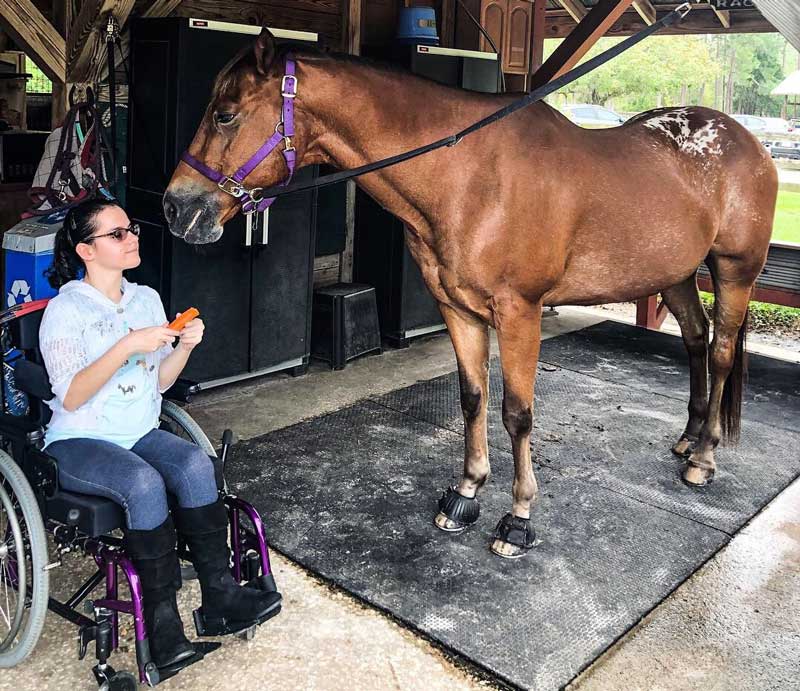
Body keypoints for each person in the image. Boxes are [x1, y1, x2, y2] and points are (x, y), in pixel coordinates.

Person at [40, 198, 275, 668]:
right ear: (87, 250)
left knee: (193, 464)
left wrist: (184, 346)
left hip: (139, 430)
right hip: (80, 438)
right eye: (118, 234)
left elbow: (159, 382)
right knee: (142, 482)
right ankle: (162, 627)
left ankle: (221, 598)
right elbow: (71, 396)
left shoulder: (145, 299)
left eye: (132, 230)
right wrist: (128, 344)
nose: (133, 238)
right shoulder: (65, 312)